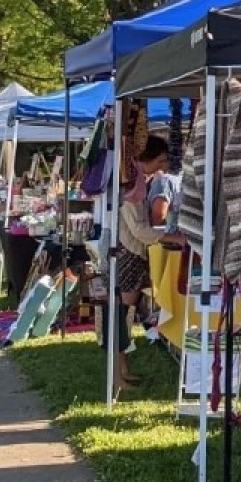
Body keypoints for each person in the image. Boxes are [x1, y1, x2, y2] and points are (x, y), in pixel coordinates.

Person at [110, 135, 172, 389]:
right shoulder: (131, 190)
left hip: (131, 254)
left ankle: (122, 370)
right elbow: (141, 231)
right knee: (122, 316)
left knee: (125, 314)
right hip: (129, 256)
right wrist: (171, 235)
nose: (163, 166)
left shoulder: (137, 184)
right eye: (160, 160)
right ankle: (117, 374)